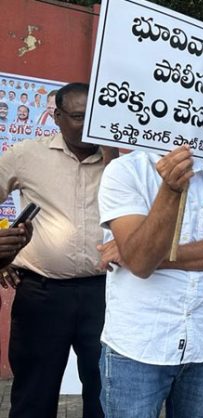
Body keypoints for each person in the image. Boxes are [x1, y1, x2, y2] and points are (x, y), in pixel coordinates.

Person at [0, 82, 119, 418]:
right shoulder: (26, 154)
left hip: (105, 294)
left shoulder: (118, 163)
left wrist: (113, 158)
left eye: (95, 117)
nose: (88, 125)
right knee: (34, 396)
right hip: (41, 294)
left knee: (105, 393)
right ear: (57, 116)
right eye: (78, 117)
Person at [98, 145, 203, 418]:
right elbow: (141, 262)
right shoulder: (124, 171)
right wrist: (170, 190)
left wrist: (142, 254)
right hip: (138, 349)